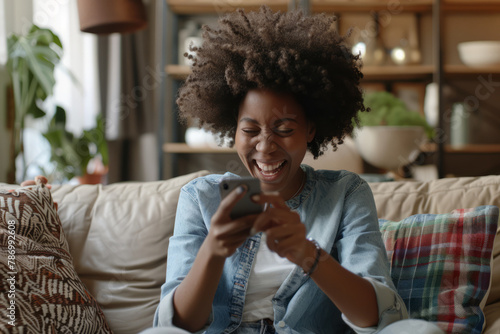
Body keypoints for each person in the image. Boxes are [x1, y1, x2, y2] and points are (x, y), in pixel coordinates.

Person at [150, 6, 409, 334]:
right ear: (233, 130)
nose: (265, 146)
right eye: (250, 130)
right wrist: (213, 250)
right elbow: (176, 325)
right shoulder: (200, 197)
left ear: (311, 130)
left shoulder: (346, 194)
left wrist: (309, 254)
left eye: (284, 129)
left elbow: (378, 317)